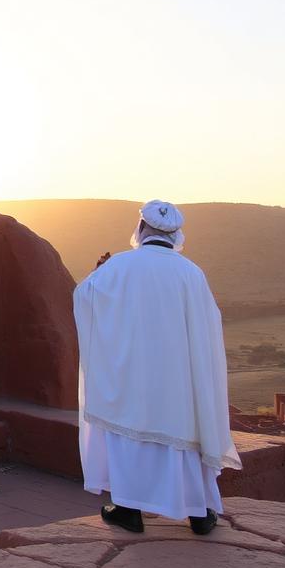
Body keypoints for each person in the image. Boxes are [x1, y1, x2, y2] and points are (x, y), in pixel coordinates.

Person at [73, 200, 241, 534]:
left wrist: (96, 273)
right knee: (186, 437)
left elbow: (85, 298)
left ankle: (128, 509)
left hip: (134, 377)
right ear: (176, 233)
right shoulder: (191, 273)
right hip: (180, 380)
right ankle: (199, 513)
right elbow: (209, 327)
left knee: (129, 432)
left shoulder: (118, 266)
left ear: (140, 229)